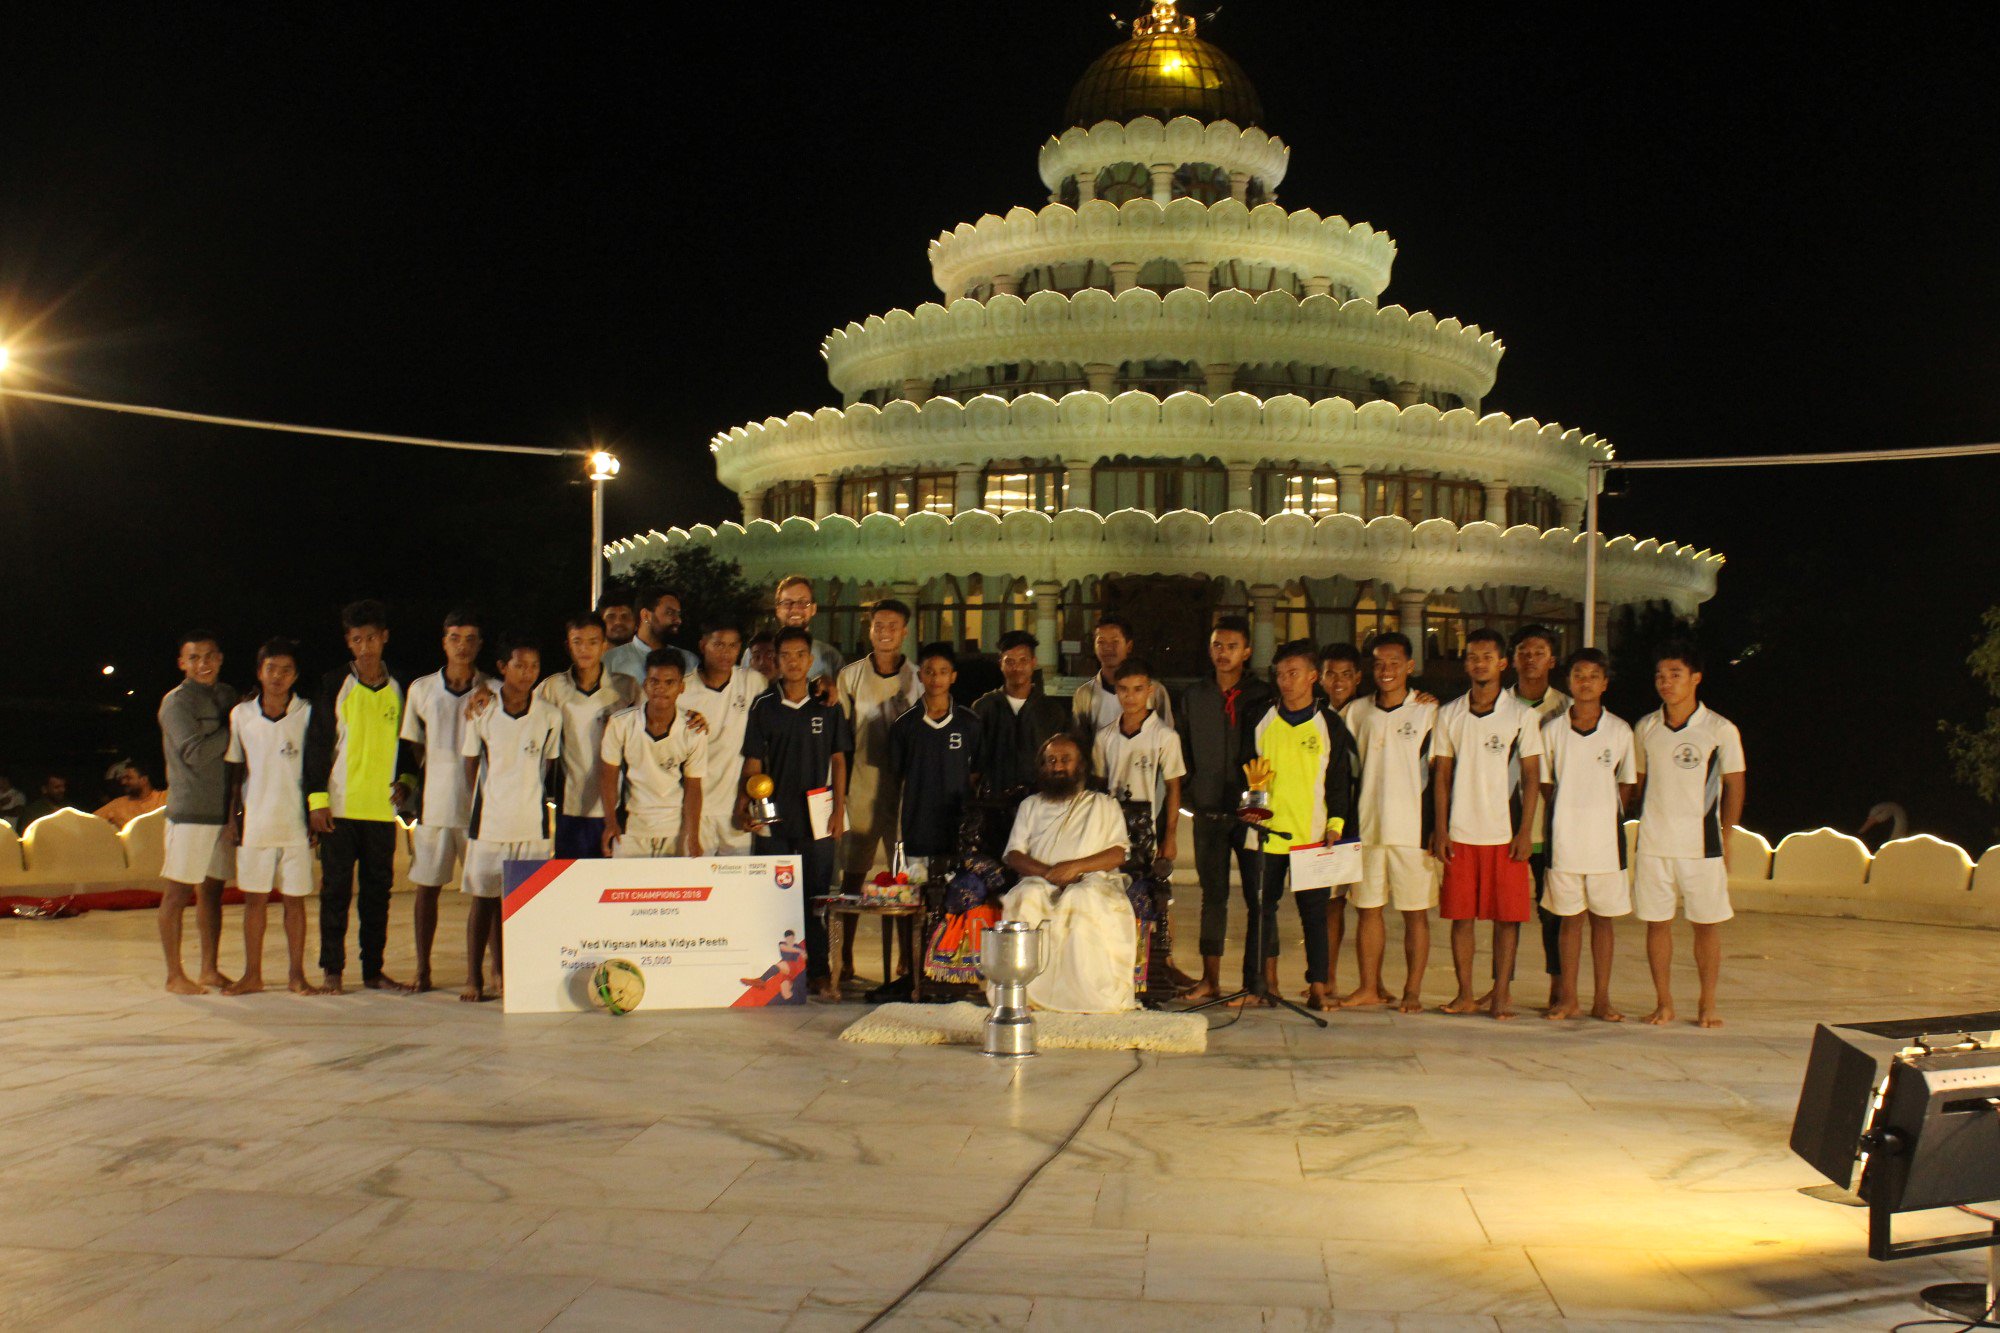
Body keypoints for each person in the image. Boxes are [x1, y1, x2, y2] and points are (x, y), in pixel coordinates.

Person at [304, 599, 420, 994]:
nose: (366, 646)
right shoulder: (335, 683)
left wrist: (406, 781)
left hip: (380, 811)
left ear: (384, 638)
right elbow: (317, 746)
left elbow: (408, 746)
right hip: (340, 809)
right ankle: (332, 971)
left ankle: (373, 971)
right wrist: (317, 802)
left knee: (377, 896)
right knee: (334, 892)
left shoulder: (401, 687)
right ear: (349, 643)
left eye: (372, 637)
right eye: (357, 639)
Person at [1631, 641, 1746, 1028]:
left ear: (1696, 678)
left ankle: (1707, 1004)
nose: (1666, 682)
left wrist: (1726, 836)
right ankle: (1663, 1002)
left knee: (1706, 924)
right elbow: (1636, 782)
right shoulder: (1645, 727)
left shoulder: (1719, 729)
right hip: (1653, 842)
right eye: (1660, 676)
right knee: (1657, 923)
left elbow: (1735, 785)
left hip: (1702, 844)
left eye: (1675, 674)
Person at [1432, 628, 1543, 1020]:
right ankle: (1464, 993)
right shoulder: (1449, 714)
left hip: (1505, 834)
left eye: (1486, 657)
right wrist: (1440, 829)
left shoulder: (1522, 715)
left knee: (1506, 919)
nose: (1479, 663)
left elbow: (1531, 778)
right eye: (1472, 657)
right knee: (1461, 918)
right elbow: (1441, 776)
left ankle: (1500, 994)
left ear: (1501, 663)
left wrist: (1526, 831)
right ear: (1466, 663)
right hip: (1461, 834)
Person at [1243, 640, 1357, 1010]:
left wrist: (1336, 825)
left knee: (1314, 915)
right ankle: (1259, 983)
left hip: (1312, 836)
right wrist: (1250, 805)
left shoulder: (1329, 725)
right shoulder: (1260, 720)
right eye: (1280, 674)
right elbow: (1246, 774)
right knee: (1261, 910)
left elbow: (1339, 781)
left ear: (1312, 677)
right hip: (1266, 836)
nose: (1285, 681)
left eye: (1293, 673)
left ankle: (1318, 987)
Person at [739, 626, 852, 996]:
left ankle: (819, 971)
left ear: (810, 659)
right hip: (775, 814)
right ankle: (775, 975)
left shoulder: (827, 705)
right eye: (784, 655)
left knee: (817, 898)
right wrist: (747, 805)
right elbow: (754, 762)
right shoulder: (764, 706)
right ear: (776, 660)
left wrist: (838, 809)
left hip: (819, 815)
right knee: (774, 897)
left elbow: (839, 759)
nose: (792, 662)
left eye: (799, 655)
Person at [1000, 734, 1137, 1014]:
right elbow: (1013, 853)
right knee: (1026, 897)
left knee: (1081, 898)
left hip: (1093, 880)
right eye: (1051, 761)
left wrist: (1076, 868)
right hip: (1039, 879)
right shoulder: (1031, 806)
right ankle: (1027, 994)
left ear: (1080, 765)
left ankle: (1088, 997)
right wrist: (1049, 872)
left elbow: (1118, 853)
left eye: (1065, 760)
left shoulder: (1103, 805)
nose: (1057, 766)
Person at [1176, 616, 1274, 1002]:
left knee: (1260, 896)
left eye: (1232, 646)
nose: (1223, 653)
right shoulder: (1195, 696)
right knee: (1212, 895)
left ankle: (1263, 981)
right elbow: (1183, 749)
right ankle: (1210, 978)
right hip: (1209, 810)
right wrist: (1190, 795)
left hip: (1252, 813)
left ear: (1247, 651)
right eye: (1217, 645)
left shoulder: (1264, 696)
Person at [459, 637, 562, 1002]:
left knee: (520, 903)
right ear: (503, 667)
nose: (527, 673)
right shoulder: (481, 709)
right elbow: (470, 762)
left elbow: (547, 765)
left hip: (531, 824)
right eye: (519, 665)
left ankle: (506, 971)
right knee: (483, 900)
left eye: (534, 666)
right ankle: (473, 977)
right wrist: (487, 800)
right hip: (489, 822)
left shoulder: (550, 715)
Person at [1339, 632, 1436, 1013]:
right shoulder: (1357, 712)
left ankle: (1412, 990)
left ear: (1410, 667)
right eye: (1379, 664)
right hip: (1368, 826)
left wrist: (1435, 827)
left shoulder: (1429, 712)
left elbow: (1440, 773)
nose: (1387, 671)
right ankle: (1368, 987)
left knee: (1415, 912)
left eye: (1395, 663)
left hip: (1412, 831)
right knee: (1368, 908)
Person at [222, 638, 324, 996]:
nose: (277, 677)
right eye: (271, 669)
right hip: (256, 821)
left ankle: (297, 974)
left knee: (295, 901)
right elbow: (235, 769)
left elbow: (316, 768)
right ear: (259, 672)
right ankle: (253, 974)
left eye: (285, 670)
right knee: (255, 901)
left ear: (295, 675)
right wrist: (233, 815)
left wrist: (316, 813)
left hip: (296, 822)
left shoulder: (307, 713)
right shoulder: (242, 715)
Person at [1539, 648, 1637, 1022]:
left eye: (1593, 676)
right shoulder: (1552, 730)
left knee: (1603, 921)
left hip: (1605, 846)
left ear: (1605, 683)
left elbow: (1627, 783)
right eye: (1579, 675)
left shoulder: (1619, 730)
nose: (1585, 682)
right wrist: (1569, 812)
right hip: (1564, 842)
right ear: (1569, 681)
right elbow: (1546, 783)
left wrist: (1602, 812)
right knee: (1569, 920)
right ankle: (1569, 999)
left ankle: (1602, 1000)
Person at [399, 608, 490, 991]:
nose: (462, 645)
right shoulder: (421, 689)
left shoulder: (494, 689)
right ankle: (423, 968)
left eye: (470, 638)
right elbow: (409, 747)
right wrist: (407, 788)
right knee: (427, 889)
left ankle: (486, 971)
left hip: (480, 809)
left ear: (480, 644)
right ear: (444, 642)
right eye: (455, 637)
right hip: (436, 805)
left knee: (485, 893)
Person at [156, 630, 239, 995]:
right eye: (194, 658)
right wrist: (235, 726)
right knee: (176, 893)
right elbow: (194, 752)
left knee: (212, 892)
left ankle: (209, 969)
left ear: (220, 658)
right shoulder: (175, 703)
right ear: (182, 663)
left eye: (209, 656)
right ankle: (175, 975)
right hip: (189, 811)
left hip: (222, 811)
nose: (203, 664)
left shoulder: (226, 695)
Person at [535, 613, 640, 859]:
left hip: (617, 807)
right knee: (573, 885)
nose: (585, 649)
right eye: (577, 641)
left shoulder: (626, 687)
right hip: (571, 805)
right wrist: (488, 692)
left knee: (612, 888)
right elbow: (518, 706)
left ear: (605, 645)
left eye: (593, 642)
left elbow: (656, 716)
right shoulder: (552, 688)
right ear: (568, 646)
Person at [835, 598, 921, 898]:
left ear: (905, 632)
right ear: (870, 630)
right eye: (878, 626)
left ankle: (908, 946)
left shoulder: (920, 678)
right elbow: (840, 740)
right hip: (862, 787)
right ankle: (843, 943)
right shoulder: (850, 676)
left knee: (904, 879)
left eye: (893, 627)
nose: (885, 632)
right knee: (854, 872)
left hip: (905, 790)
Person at [1508, 625, 1570, 1006]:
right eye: (1523, 651)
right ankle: (1502, 987)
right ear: (1513, 659)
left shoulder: (1565, 707)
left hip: (1549, 828)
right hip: (1507, 826)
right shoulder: (1497, 704)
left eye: (1539, 651)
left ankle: (1558, 987)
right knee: (1507, 914)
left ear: (1552, 659)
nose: (1531, 658)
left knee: (1553, 912)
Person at [599, 650, 707, 857]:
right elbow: (608, 776)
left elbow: (694, 787)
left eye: (669, 682)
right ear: (645, 684)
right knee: (629, 890)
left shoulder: (693, 729)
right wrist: (610, 822)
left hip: (675, 828)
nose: (661, 688)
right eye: (654, 681)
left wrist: (693, 835)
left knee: (674, 890)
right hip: (631, 828)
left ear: (681, 687)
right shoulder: (620, 723)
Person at [890, 643, 980, 876]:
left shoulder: (969, 722)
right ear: (920, 675)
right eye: (929, 671)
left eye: (943, 672)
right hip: (917, 822)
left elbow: (976, 772)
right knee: (916, 890)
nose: (936, 678)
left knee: (952, 891)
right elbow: (897, 774)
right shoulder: (905, 724)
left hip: (955, 824)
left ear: (953, 676)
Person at [679, 622, 768, 855]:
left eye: (732, 645)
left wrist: (820, 683)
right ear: (703, 645)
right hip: (696, 808)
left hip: (736, 807)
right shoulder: (682, 689)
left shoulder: (753, 682)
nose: (726, 652)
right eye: (718, 645)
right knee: (697, 885)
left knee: (737, 885)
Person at [970, 630, 1071, 799]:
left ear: (1033, 662)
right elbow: (973, 761)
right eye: (1010, 661)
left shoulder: (1051, 710)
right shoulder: (984, 708)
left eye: (1023, 660)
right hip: (992, 802)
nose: (1016, 667)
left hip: (1040, 801)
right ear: (1000, 663)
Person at [1072, 615, 1174, 736]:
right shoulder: (1085, 693)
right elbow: (1079, 739)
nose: (1108, 647)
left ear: (1129, 646)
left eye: (1115, 641)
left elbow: (1166, 734)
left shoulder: (1154, 691)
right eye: (1101, 642)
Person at [605, 588, 698, 682]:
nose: (678, 620)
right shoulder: (612, 661)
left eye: (678, 614)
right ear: (645, 615)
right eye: (669, 613)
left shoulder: (689, 661)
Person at [771, 575, 845, 686]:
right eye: (787, 603)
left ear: (813, 609)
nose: (795, 608)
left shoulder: (830, 656)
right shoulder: (757, 653)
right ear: (777, 610)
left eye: (803, 602)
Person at [96, 760, 166, 829]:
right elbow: (91, 822)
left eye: (128, 778)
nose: (123, 782)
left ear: (144, 780)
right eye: (123, 778)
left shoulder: (164, 798)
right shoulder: (118, 804)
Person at [1319, 643, 1365, 712]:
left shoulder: (1372, 713)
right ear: (1320, 679)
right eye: (1331, 675)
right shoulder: (1314, 714)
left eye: (1346, 674)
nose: (1338, 681)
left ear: (1358, 678)